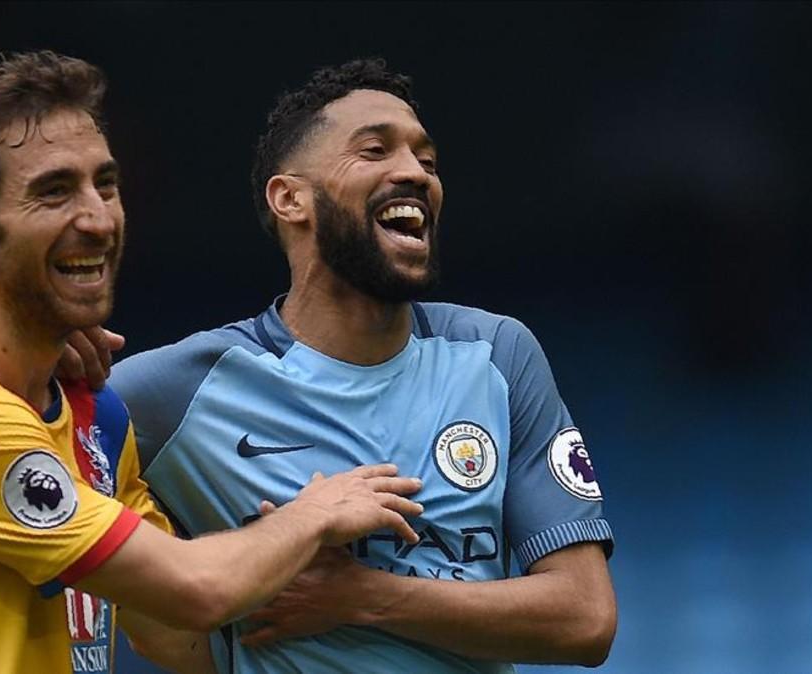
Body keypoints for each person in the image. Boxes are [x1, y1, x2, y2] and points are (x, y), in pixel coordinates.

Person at [0, 51, 425, 674]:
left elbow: (167, 627)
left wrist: (351, 601)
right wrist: (309, 518)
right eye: (53, 191)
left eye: (105, 184)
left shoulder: (88, 411)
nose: (97, 218)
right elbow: (196, 590)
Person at [71, 59, 617, 673]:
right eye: (375, 150)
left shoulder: (496, 354)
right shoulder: (180, 389)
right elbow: (10, 437)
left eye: (427, 161)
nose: (414, 172)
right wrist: (50, 360)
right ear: (291, 198)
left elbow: (585, 618)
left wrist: (365, 599)